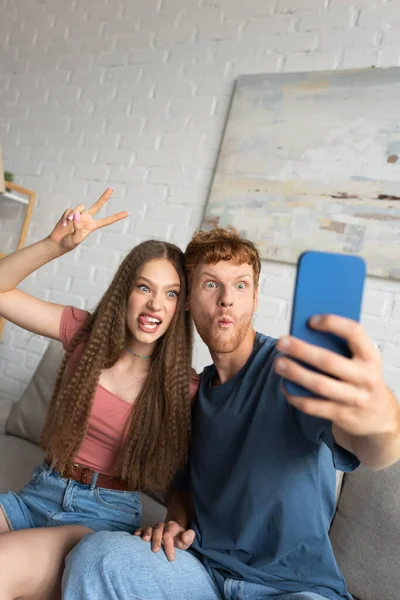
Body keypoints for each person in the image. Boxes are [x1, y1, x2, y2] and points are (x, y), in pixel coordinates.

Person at [62, 226, 400, 600]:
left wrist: (383, 421)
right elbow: (185, 486)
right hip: (203, 575)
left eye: (240, 286)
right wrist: (175, 518)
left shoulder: (289, 371)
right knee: (97, 556)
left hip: (291, 588)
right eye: (210, 285)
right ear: (187, 300)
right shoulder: (190, 393)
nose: (227, 300)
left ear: (255, 298)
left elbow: (372, 447)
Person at [0, 189, 195, 600]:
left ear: (182, 307)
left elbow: (189, 479)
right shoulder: (84, 335)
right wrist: (55, 245)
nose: (155, 304)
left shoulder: (185, 388)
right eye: (144, 288)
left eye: (171, 293)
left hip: (101, 517)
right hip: (39, 491)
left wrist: (175, 518)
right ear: (125, 292)